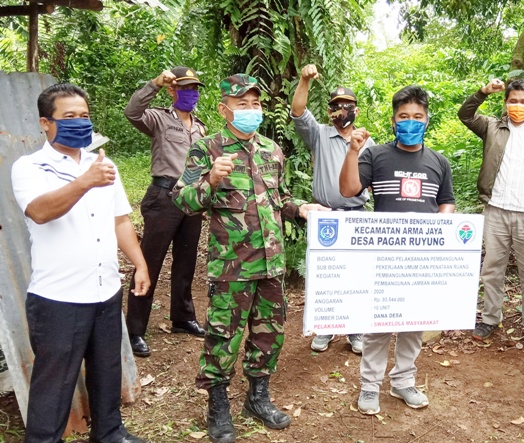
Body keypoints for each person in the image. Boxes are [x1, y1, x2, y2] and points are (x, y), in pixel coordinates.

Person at [172, 74, 326, 442]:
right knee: (223, 337)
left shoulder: (272, 150)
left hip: (272, 264)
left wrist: (301, 208)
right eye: (243, 104)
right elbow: (182, 201)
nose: (251, 110)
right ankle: (219, 404)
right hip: (232, 266)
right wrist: (209, 179)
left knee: (268, 334)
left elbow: (281, 198)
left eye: (256, 104)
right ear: (225, 109)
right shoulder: (207, 149)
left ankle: (257, 397)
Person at [11, 83, 150, 443]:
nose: (79, 122)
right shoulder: (30, 167)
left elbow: (120, 220)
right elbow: (40, 212)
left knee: (106, 368)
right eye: (68, 117)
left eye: (84, 116)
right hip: (59, 297)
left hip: (105, 289)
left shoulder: (103, 165)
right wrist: (84, 183)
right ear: (46, 123)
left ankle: (109, 432)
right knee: (54, 382)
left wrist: (140, 263)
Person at [340, 85, 455, 415]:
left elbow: (446, 202)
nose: (410, 121)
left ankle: (403, 381)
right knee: (378, 324)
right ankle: (369, 386)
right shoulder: (376, 156)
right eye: (403, 116)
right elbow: (348, 188)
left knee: (413, 324)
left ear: (427, 120)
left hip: (421, 260)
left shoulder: (439, 162)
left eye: (417, 116)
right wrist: (352, 151)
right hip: (383, 257)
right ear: (393, 121)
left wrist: (439, 227)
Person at [458, 78, 524, 351]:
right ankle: (490, 318)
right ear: (506, 102)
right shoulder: (492, 126)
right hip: (496, 209)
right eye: (513, 101)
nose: (518, 106)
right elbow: (465, 115)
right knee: (492, 270)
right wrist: (482, 92)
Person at [124, 66, 208, 358]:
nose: (191, 94)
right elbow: (132, 112)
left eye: (195, 89)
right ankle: (134, 330)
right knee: (149, 262)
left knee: (186, 261)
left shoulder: (200, 128)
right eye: (185, 88)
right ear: (173, 91)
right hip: (163, 196)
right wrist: (155, 82)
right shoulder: (159, 118)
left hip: (192, 198)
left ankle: (183, 319)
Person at [291, 63, 372, 354]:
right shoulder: (319, 134)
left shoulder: (367, 142)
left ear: (356, 110)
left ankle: (356, 331)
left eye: (347, 105)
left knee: (358, 275)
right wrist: (304, 80)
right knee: (325, 274)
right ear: (329, 111)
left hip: (356, 215)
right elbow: (298, 111)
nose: (342, 111)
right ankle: (325, 329)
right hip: (325, 215)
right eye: (336, 106)